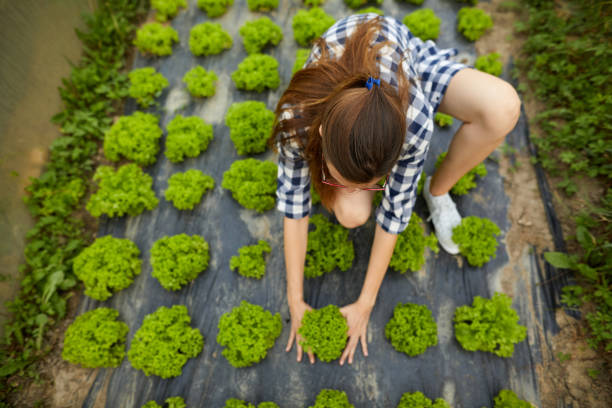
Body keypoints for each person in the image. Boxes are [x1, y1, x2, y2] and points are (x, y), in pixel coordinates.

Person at [269, 13, 520, 366]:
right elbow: (294, 206)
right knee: (353, 214)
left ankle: (436, 191)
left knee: (503, 107)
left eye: (372, 183)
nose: (361, 189)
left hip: (408, 64)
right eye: (343, 178)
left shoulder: (413, 122)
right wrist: (294, 299)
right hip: (344, 85)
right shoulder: (297, 121)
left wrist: (365, 303)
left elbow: (395, 210)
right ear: (323, 137)